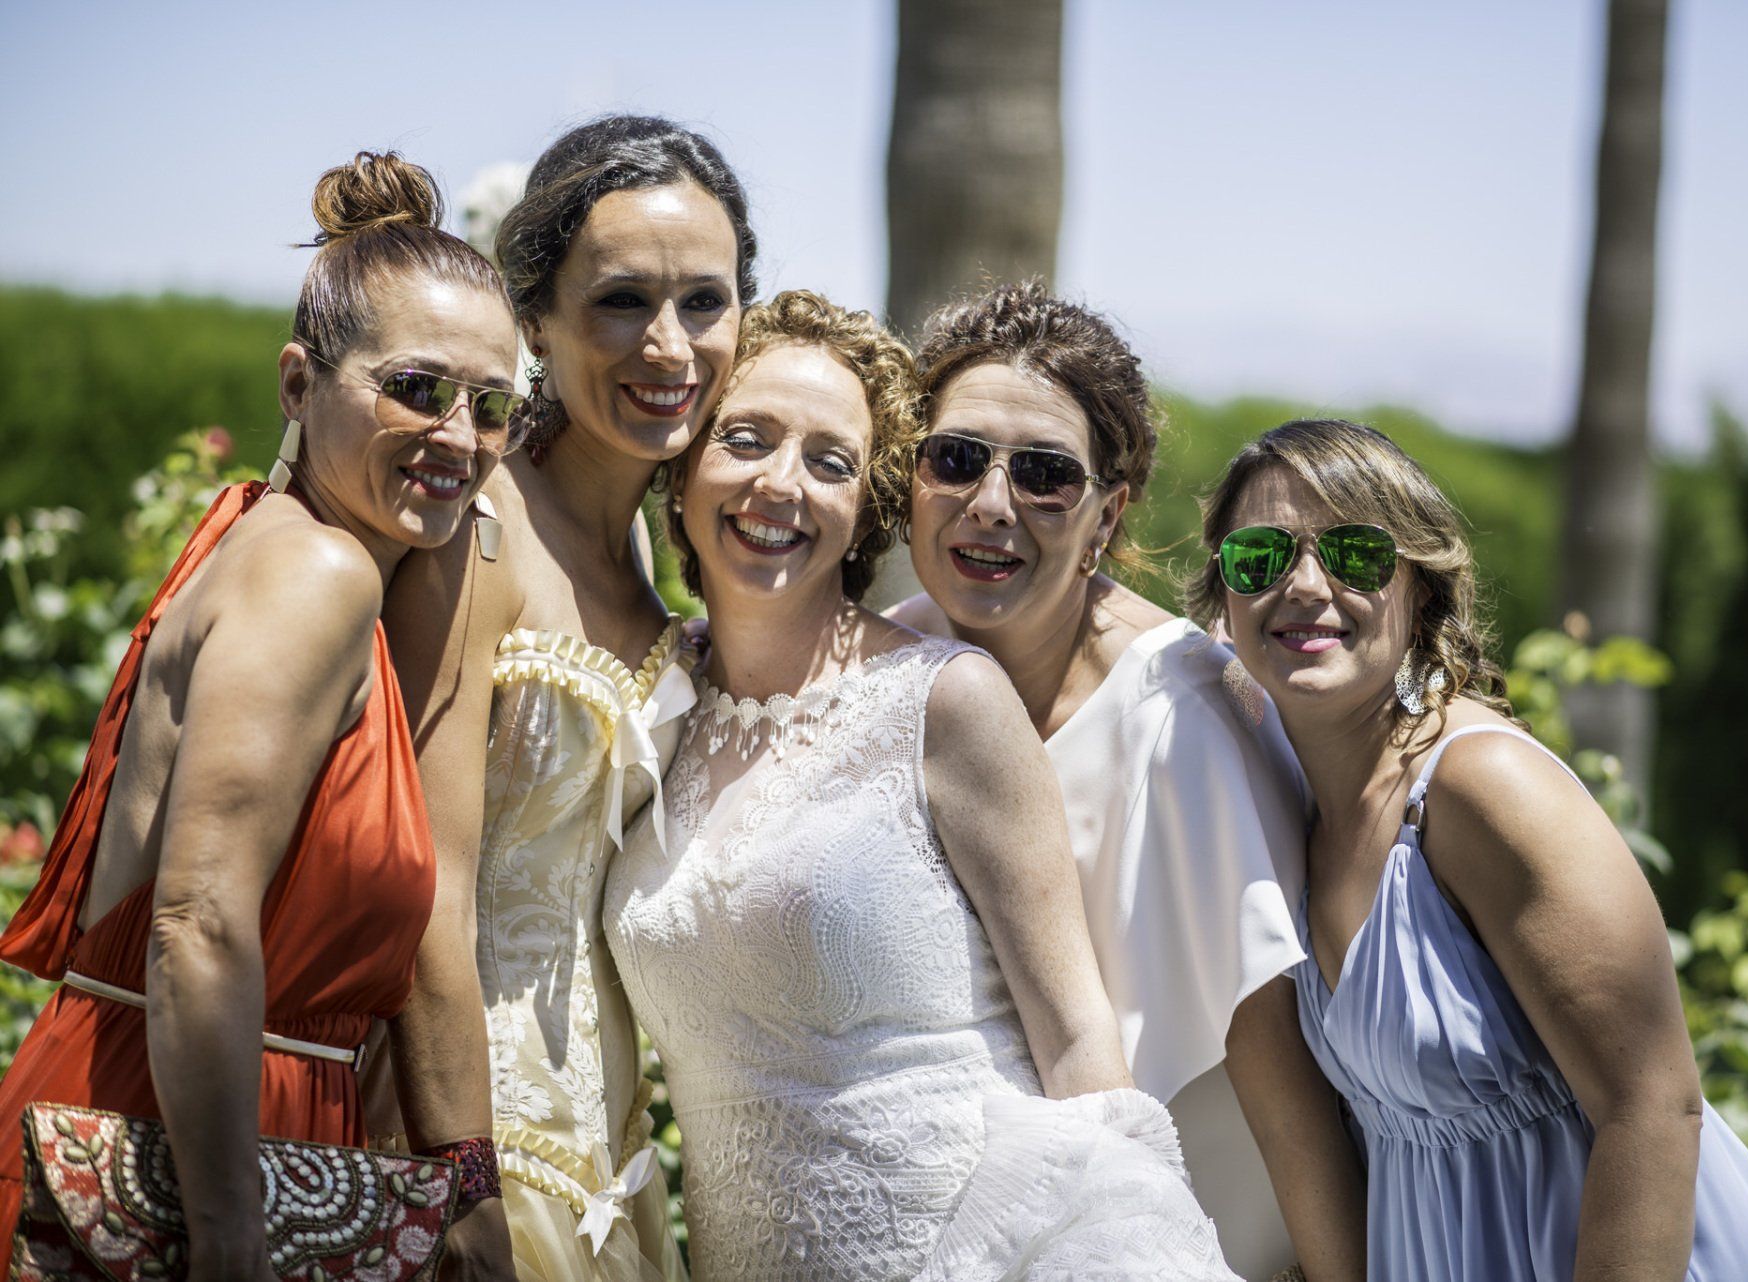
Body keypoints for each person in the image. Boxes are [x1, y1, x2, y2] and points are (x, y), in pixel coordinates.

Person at [602, 288, 1236, 1281]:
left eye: (831, 462)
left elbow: (1077, 1035)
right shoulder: (653, 697)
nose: (780, 483)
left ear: (868, 507)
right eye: (747, 438)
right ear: (683, 465)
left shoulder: (947, 698)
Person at [0, 152, 520, 1260]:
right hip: (170, 1152)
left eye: (493, 407)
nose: (459, 436)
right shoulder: (315, 575)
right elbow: (198, 921)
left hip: (206, 1128)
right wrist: (229, 1233)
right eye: (417, 388)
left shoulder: (267, 536)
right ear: (297, 385)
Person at [1193, 418, 1748, 1281]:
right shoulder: (1291, 813)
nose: (1303, 584)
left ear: (1420, 590)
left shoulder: (1479, 787)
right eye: (1259, 555)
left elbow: (1654, 1108)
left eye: (1356, 554)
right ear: (1224, 594)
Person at [887, 281, 1335, 1279]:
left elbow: (1279, 1068)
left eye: (1045, 474)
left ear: (1107, 512)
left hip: (1193, 1229)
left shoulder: (1183, 713)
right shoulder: (892, 659)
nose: (991, 504)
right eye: (955, 458)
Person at [376, 115, 754, 1282]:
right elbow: (421, 883)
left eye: (704, 301)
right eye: (623, 301)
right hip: (469, 1152)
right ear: (534, 319)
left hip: (610, 1171)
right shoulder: (474, 522)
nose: (669, 345)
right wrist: (463, 1184)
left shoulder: (657, 552)